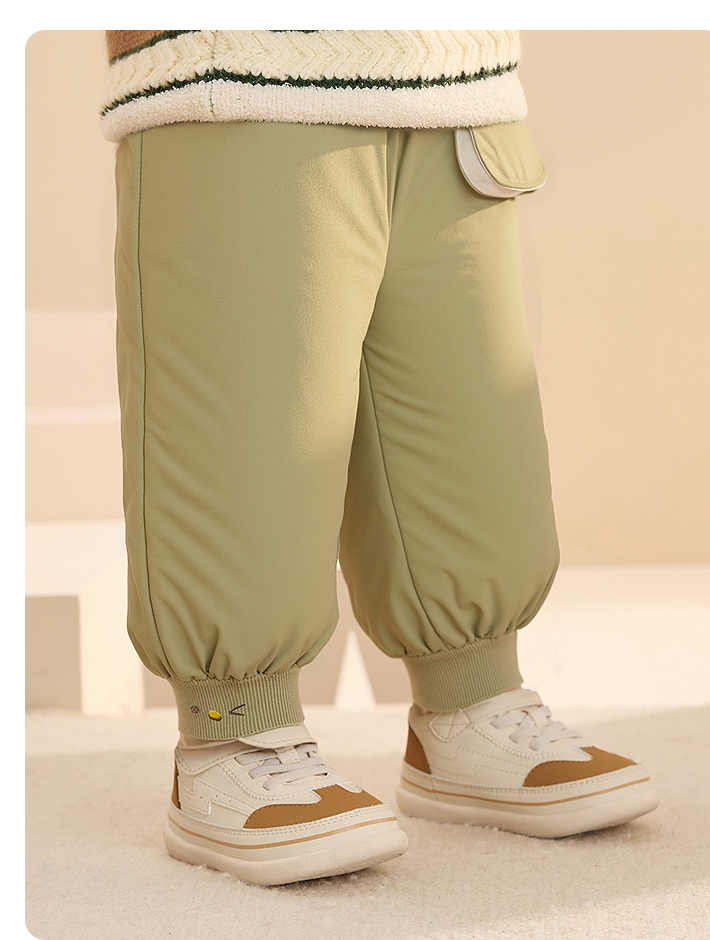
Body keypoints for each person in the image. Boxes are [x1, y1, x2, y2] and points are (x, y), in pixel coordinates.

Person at [101, 29, 659, 887]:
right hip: (242, 76)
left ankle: (467, 710)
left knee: (470, 424)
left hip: (451, 83)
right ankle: (230, 737)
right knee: (253, 435)